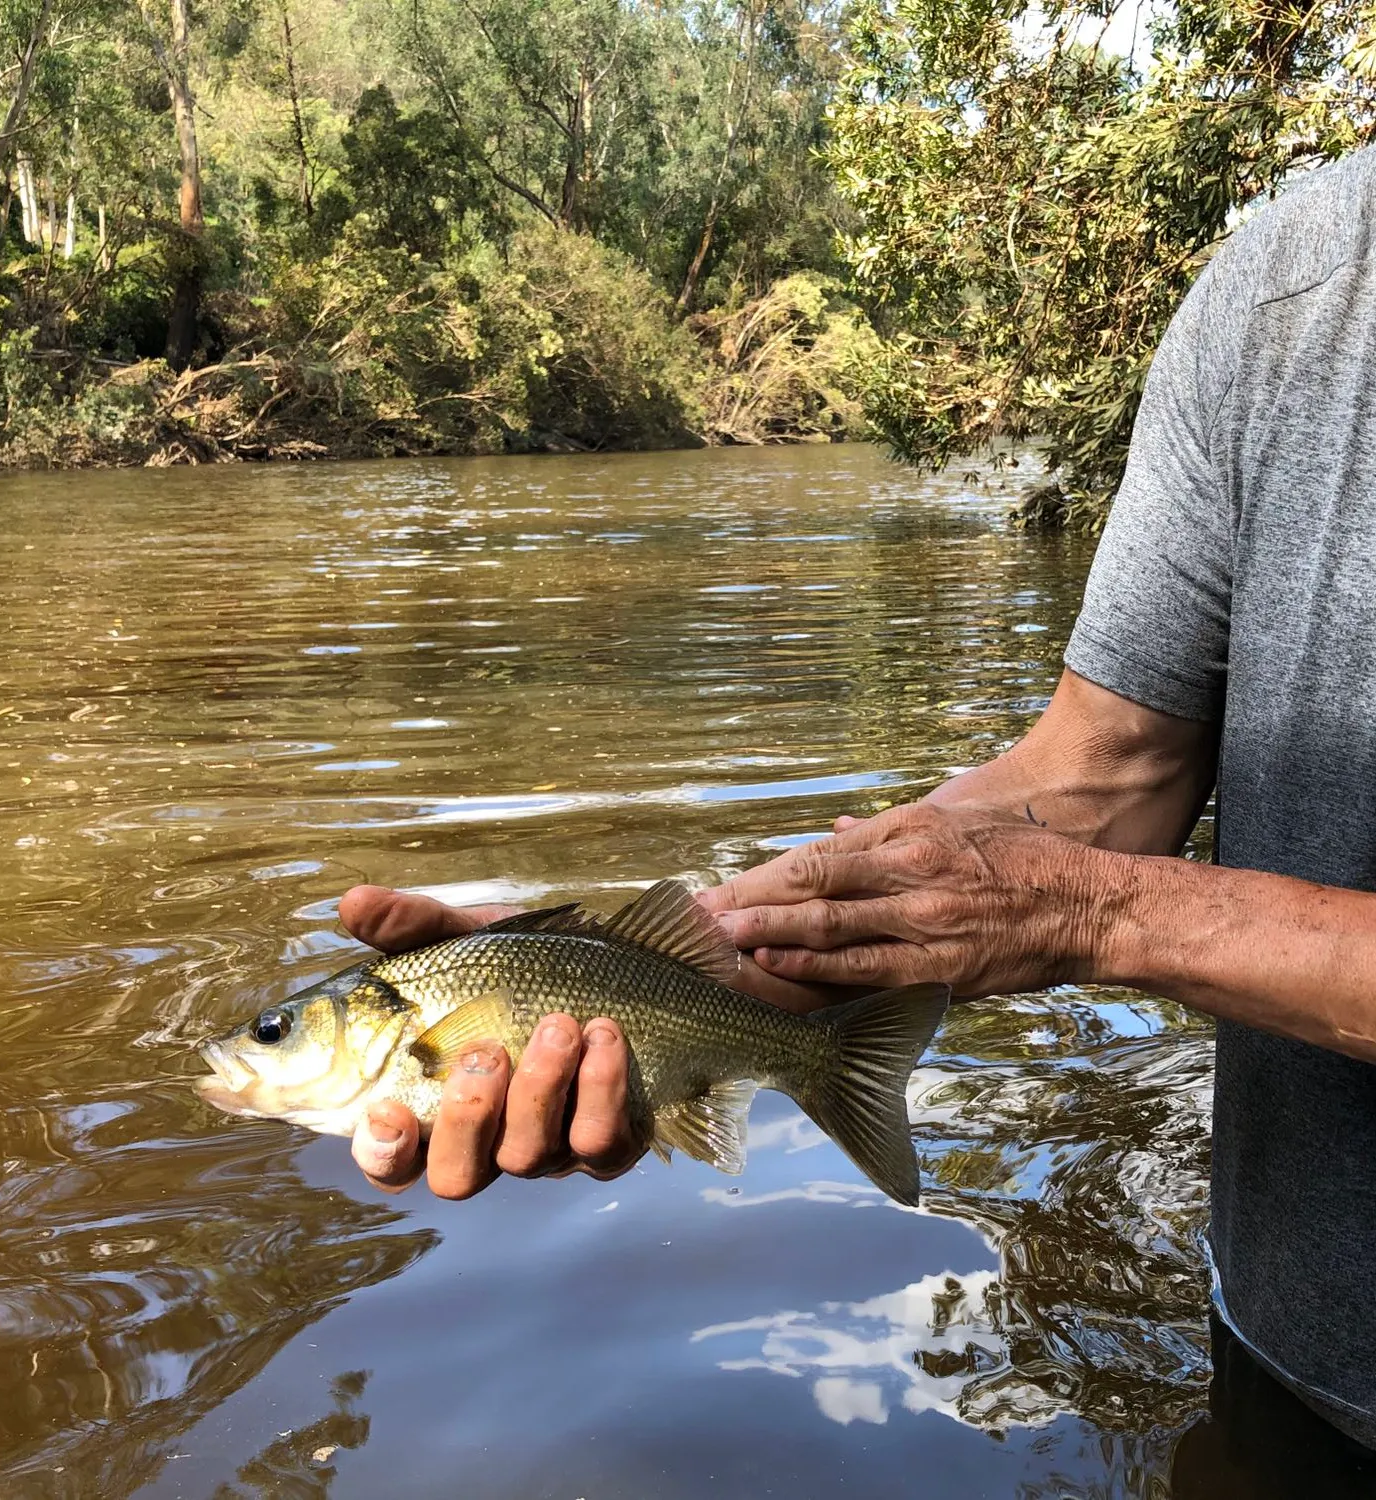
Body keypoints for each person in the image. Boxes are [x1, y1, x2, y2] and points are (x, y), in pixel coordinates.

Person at [338, 147, 1376, 1452]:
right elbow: (1105, 776)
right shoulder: (1278, 279)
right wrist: (686, 951)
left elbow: (1087, 883)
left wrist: (1099, 916)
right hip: (1280, 1360)